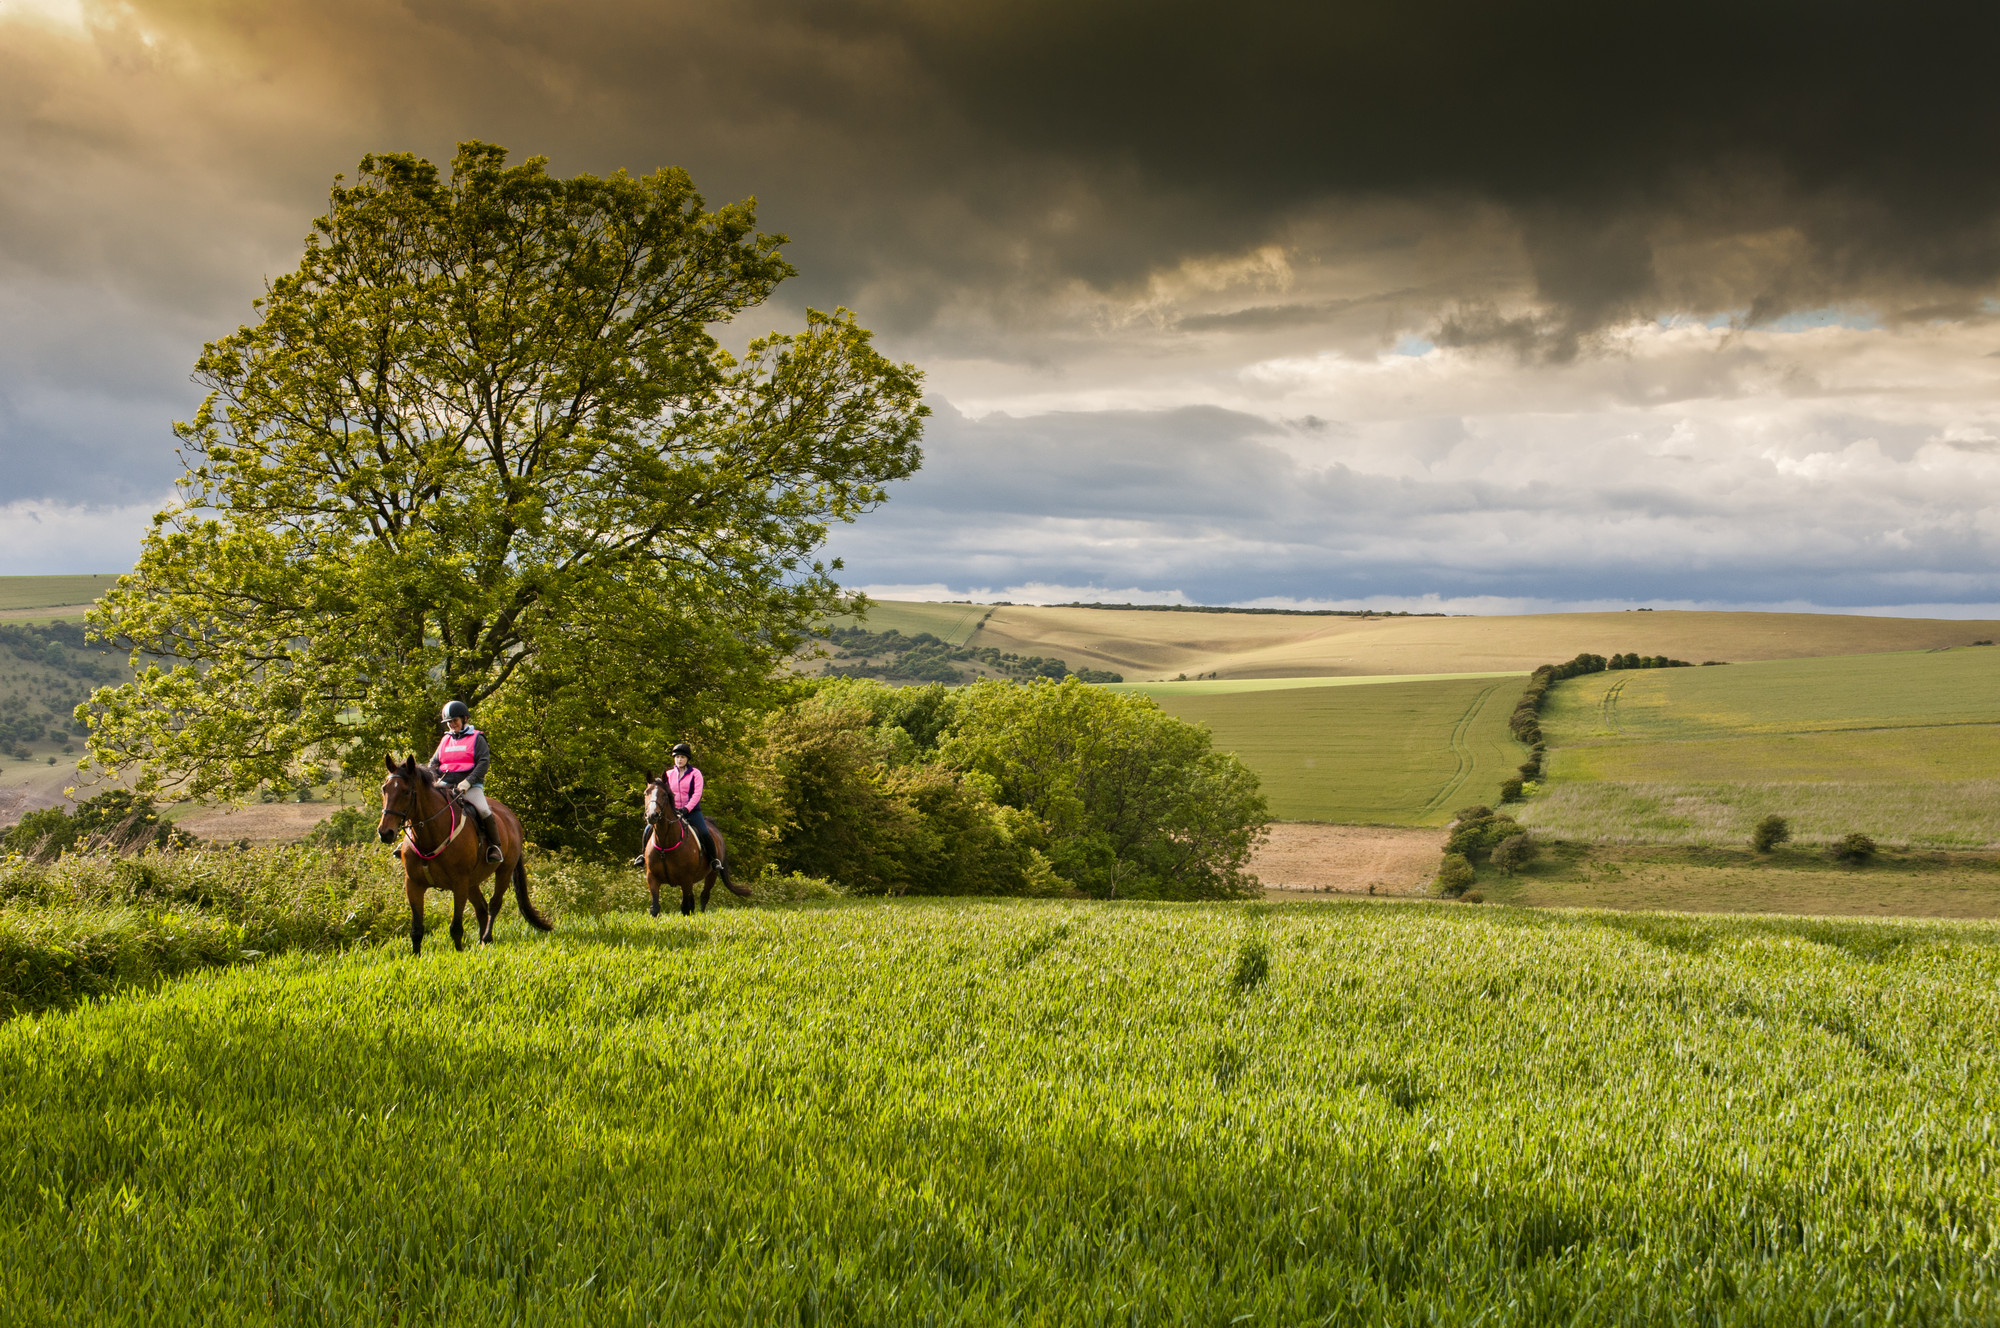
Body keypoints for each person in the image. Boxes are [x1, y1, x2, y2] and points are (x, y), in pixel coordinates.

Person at [429, 700, 505, 864]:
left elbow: (483, 763)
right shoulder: (445, 740)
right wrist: (433, 779)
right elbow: (433, 764)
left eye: (454, 721)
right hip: (445, 784)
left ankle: (494, 846)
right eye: (449, 722)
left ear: (464, 719)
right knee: (424, 803)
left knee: (484, 810)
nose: (452, 725)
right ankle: (412, 843)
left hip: (469, 785)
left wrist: (468, 782)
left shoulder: (477, 738)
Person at [632, 742, 715, 868]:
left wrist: (686, 809)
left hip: (691, 811)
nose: (679, 760)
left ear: (687, 759)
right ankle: (643, 856)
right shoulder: (668, 775)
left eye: (682, 757)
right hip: (673, 811)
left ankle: (714, 860)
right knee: (648, 829)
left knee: (704, 832)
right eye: (677, 757)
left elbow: (697, 794)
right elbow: (662, 793)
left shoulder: (695, 774)